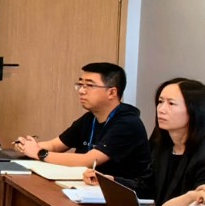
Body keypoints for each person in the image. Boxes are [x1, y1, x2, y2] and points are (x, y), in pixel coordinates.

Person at [15, 61, 152, 184]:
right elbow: (55, 145)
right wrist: (27, 146)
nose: (81, 91)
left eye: (89, 85)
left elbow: (88, 161)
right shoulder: (90, 118)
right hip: (88, 186)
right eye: (80, 85)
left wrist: (39, 153)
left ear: (112, 92)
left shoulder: (128, 123)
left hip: (119, 194)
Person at [88, 76, 205, 202]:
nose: (161, 109)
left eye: (171, 103)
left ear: (195, 110)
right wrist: (110, 181)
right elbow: (145, 187)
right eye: (160, 102)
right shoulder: (162, 147)